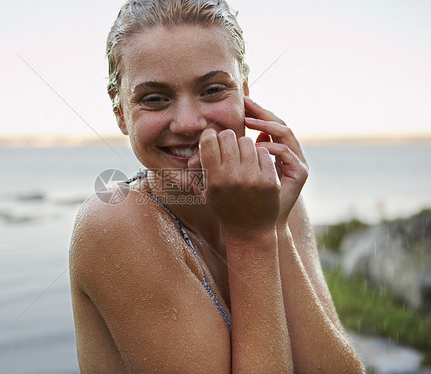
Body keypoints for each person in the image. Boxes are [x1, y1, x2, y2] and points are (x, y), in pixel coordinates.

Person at [69, 0, 364, 372]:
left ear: (244, 93)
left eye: (212, 90)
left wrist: (273, 227)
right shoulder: (115, 225)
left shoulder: (269, 199)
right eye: (155, 99)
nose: (189, 122)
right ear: (121, 113)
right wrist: (252, 237)